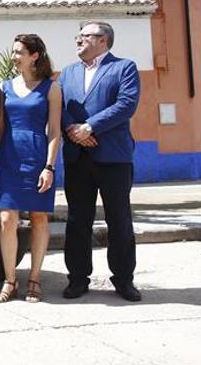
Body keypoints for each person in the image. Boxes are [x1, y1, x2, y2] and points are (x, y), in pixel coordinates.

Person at [59, 20, 142, 302]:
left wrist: (89, 127)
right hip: (77, 157)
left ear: (103, 40)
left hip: (113, 157)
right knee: (77, 220)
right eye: (78, 36)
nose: (78, 41)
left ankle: (123, 280)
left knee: (119, 220)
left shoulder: (124, 67)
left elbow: (126, 104)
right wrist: (74, 131)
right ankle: (78, 279)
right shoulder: (68, 73)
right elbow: (59, 107)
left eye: (84, 36)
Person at [0, 34, 61, 303]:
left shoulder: (51, 88)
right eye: (13, 51)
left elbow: (54, 131)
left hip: (37, 157)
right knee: (7, 220)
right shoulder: (4, 87)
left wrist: (49, 167)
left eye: (19, 52)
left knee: (39, 218)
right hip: (8, 158)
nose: (14, 56)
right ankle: (10, 281)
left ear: (35, 55)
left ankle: (35, 279)